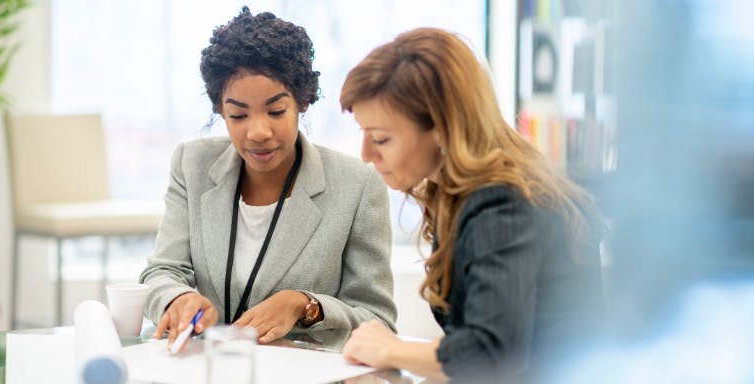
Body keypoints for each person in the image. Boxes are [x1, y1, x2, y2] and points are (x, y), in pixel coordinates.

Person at [339, 28, 604, 383]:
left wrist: (390, 349)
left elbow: (491, 352)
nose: (367, 156)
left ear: (442, 128)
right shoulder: (457, 194)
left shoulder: (501, 204)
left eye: (381, 139)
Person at [139, 7, 396, 351]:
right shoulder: (192, 164)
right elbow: (162, 272)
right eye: (238, 115)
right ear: (220, 110)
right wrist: (178, 299)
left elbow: (379, 320)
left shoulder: (358, 186)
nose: (258, 131)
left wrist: (305, 305)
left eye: (276, 112)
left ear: (303, 101)